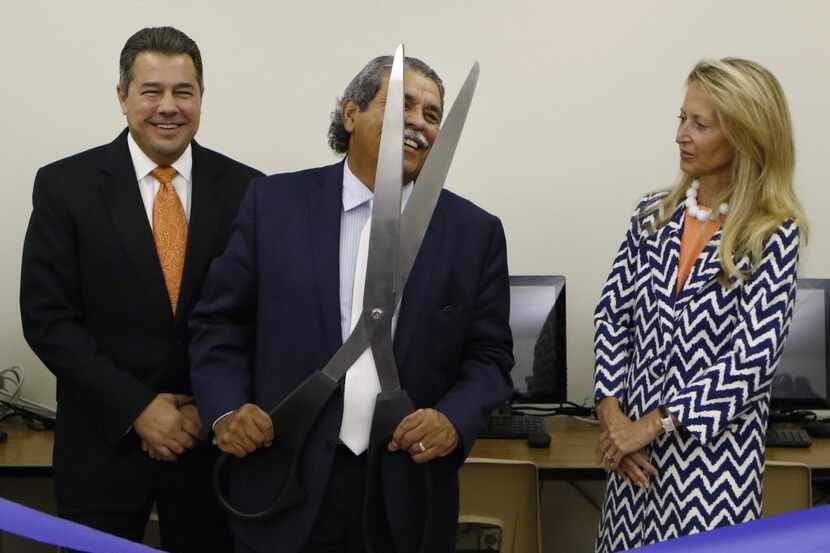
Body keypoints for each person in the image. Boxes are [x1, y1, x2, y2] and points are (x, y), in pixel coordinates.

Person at [189, 55, 514, 553]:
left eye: (432, 115)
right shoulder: (271, 205)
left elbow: (490, 360)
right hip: (283, 479)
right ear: (349, 114)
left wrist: (453, 419)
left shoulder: (475, 233)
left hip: (406, 492)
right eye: (402, 104)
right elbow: (219, 325)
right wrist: (226, 410)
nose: (419, 122)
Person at [20, 27, 263, 552]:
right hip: (102, 447)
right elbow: (48, 319)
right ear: (123, 97)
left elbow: (260, 317)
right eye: (152, 91)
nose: (168, 107)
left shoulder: (251, 191)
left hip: (210, 448)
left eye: (184, 92)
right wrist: (138, 408)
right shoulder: (66, 186)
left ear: (201, 97)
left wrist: (209, 406)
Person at [592, 58, 809, 552]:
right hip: (630, 465)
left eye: (699, 124)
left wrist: (650, 426)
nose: (681, 136)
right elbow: (612, 316)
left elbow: (751, 358)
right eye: (681, 119)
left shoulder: (773, 232)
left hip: (712, 475)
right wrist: (613, 417)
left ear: (744, 136)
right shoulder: (652, 215)